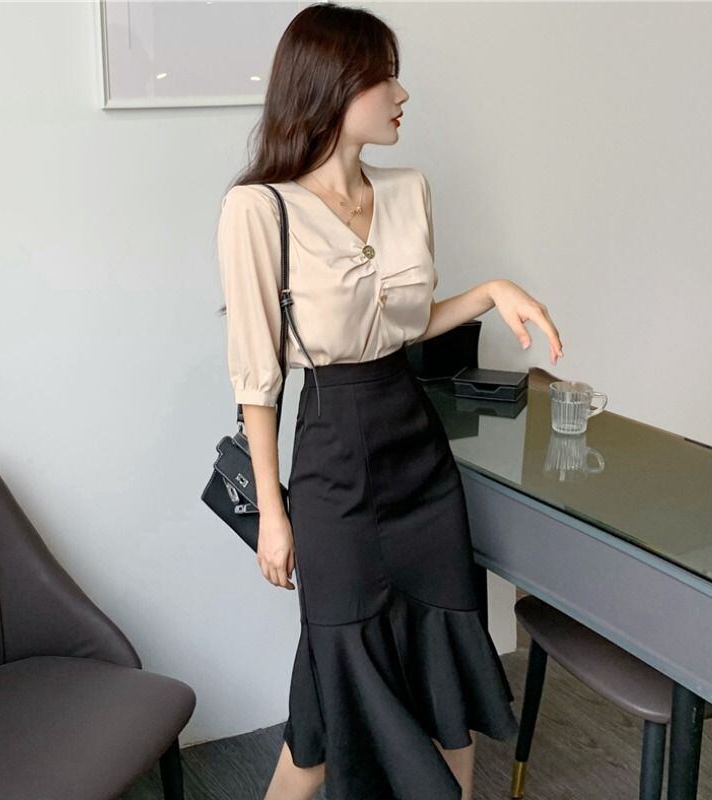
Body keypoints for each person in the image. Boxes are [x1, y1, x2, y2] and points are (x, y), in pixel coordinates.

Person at [216, 5, 564, 799]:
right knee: (330, 694)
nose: (402, 95)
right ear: (333, 88)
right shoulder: (260, 209)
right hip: (333, 463)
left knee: (446, 675)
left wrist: (490, 290)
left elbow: (404, 326)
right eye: (385, 78)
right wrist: (272, 512)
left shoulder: (409, 191)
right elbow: (256, 379)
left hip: (418, 457)